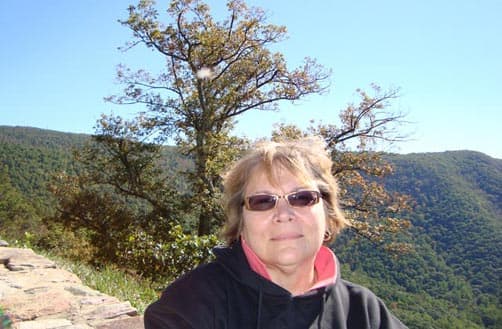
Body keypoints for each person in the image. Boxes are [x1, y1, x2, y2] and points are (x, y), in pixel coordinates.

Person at [144, 137, 407, 329]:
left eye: (302, 197)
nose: (283, 213)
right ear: (241, 222)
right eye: (262, 201)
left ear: (327, 214)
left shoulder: (363, 312)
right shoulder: (191, 305)